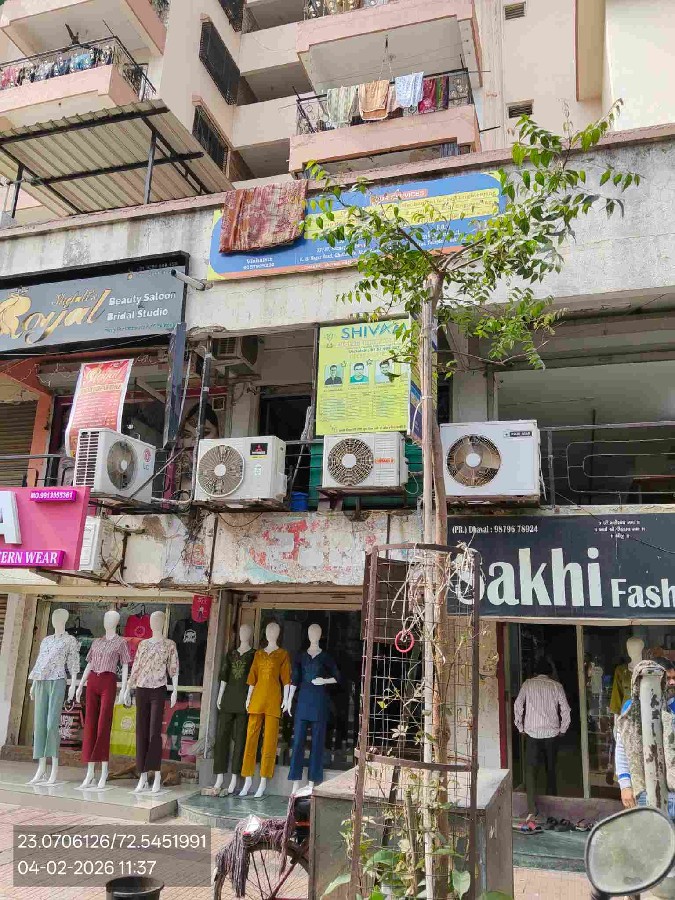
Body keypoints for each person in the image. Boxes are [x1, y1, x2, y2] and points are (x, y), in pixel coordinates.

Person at [615, 657, 675, 816]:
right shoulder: (631, 710)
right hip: (643, 790)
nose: (672, 682)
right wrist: (625, 785)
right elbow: (622, 749)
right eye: (668, 678)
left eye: (674, 678)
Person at [514, 658, 571, 816]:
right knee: (551, 769)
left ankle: (532, 809)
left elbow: (518, 705)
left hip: (532, 733)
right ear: (550, 673)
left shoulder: (527, 684)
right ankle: (552, 808)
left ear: (535, 672)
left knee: (531, 772)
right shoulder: (556, 686)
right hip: (552, 734)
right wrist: (563, 729)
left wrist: (520, 727)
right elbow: (566, 710)